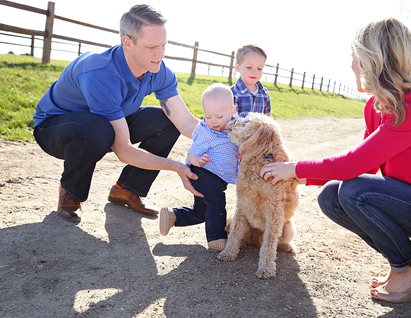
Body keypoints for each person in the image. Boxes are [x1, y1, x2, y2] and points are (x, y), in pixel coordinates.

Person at [259, 17, 411, 303]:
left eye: (355, 56)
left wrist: (294, 169)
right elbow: (364, 163)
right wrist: (298, 175)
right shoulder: (375, 107)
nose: (351, 63)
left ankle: (410, 268)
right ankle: (405, 261)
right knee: (331, 195)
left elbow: (357, 163)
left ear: (370, 61)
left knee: (354, 191)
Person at [32, 4, 202, 223]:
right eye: (151, 47)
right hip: (53, 128)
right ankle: (70, 194)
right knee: (97, 128)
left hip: (105, 119)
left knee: (165, 121)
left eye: (163, 45)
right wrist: (178, 167)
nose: (159, 54)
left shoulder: (159, 70)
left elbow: (185, 122)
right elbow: (123, 150)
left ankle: (127, 190)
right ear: (127, 42)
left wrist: (225, 141)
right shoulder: (100, 72)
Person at [158, 84, 238, 251]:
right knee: (216, 201)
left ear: (232, 111)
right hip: (204, 172)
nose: (213, 121)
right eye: (208, 116)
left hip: (218, 177)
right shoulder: (205, 132)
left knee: (202, 211)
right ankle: (217, 238)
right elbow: (191, 153)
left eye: (219, 116)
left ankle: (173, 216)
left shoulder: (235, 126)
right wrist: (198, 160)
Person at [231, 44, 271, 117]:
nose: (255, 72)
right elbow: (231, 120)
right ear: (237, 67)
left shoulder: (264, 93)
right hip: (240, 128)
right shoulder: (233, 93)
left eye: (259, 68)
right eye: (249, 67)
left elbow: (268, 117)